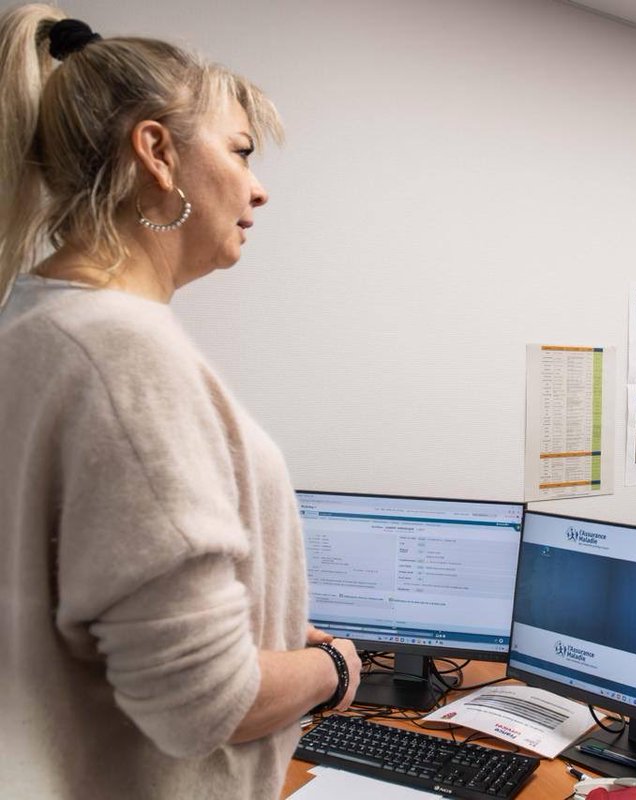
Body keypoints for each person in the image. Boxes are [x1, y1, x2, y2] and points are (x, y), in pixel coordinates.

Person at [0, 6, 362, 797]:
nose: (259, 190)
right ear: (157, 152)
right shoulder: (121, 356)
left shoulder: (33, 324)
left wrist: (248, 635)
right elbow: (205, 706)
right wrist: (332, 668)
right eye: (240, 152)